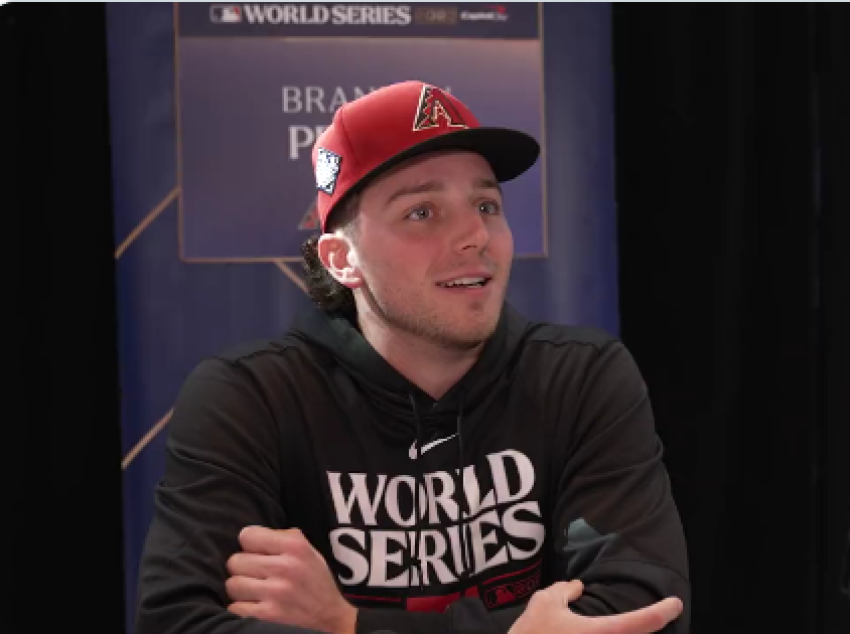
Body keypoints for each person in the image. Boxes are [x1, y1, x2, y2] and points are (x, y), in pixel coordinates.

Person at [135, 80, 690, 634]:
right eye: (422, 212)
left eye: (486, 204)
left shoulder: (581, 378)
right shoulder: (251, 398)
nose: (476, 234)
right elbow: (179, 623)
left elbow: (645, 613)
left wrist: (350, 624)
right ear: (341, 260)